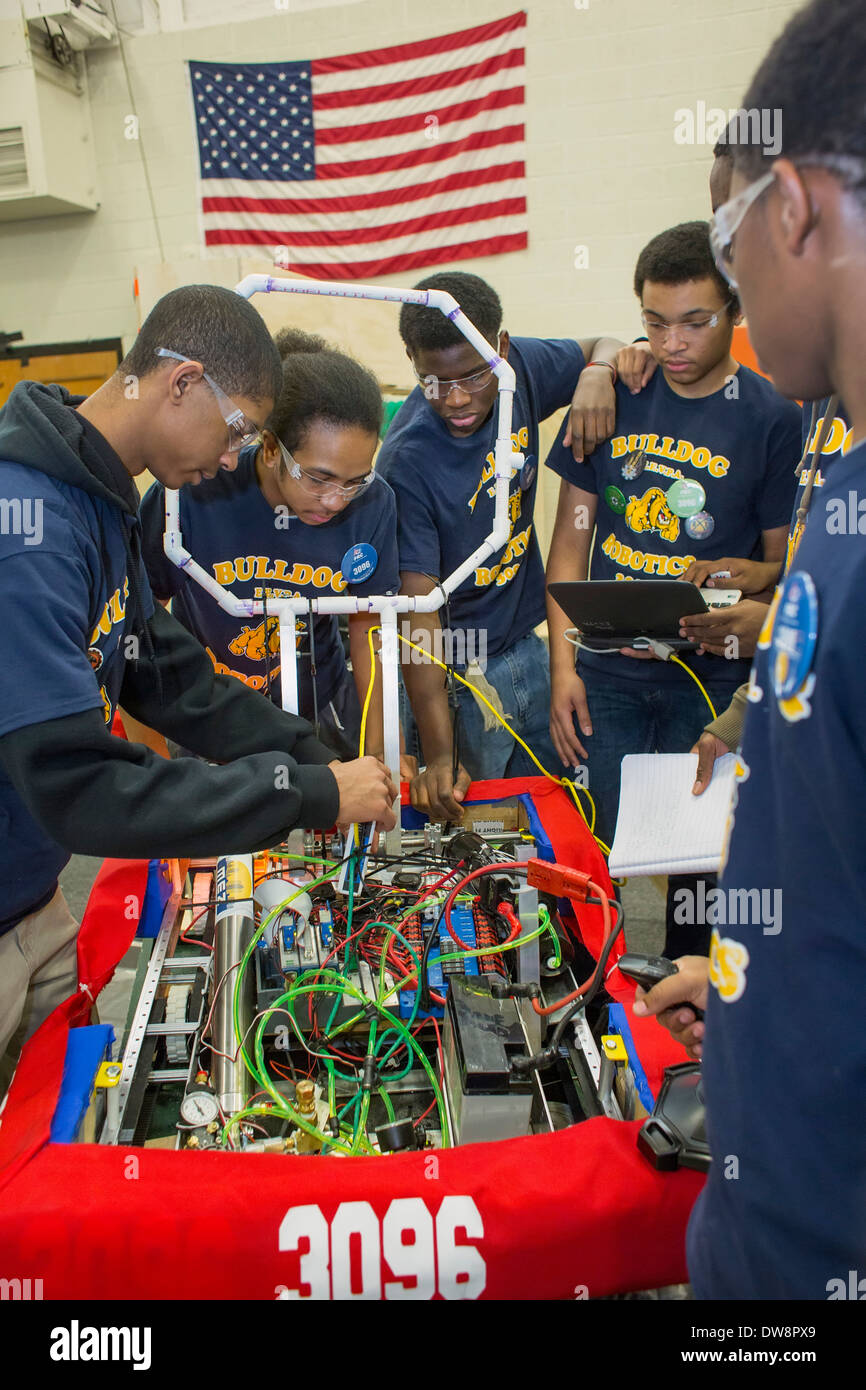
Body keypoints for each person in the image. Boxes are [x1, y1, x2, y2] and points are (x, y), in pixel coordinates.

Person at [0, 285, 396, 1095]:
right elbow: (82, 786)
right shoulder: (29, 535)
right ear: (182, 383)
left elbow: (169, 674)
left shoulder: (96, 494)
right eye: (240, 429)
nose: (232, 458)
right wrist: (309, 794)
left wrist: (311, 755)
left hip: (33, 905)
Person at [666, 0, 866, 1299]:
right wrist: (745, 988)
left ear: (789, 207)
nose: (730, 309)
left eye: (729, 260)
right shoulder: (840, 484)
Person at [544, 221, 801, 956]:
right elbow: (571, 536)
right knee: (590, 853)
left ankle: (686, 1019)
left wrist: (749, 576)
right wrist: (563, 666)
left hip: (708, 675)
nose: (672, 344)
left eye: (695, 322)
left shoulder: (773, 418)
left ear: (736, 312)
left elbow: (784, 561)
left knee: (694, 863)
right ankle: (588, 1005)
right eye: (655, 323)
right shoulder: (615, 392)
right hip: (604, 668)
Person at [377, 270, 634, 820]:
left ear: (501, 348)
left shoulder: (523, 370)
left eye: (473, 375)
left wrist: (597, 371)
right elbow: (418, 618)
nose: (457, 398)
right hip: (455, 672)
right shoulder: (407, 461)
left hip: (526, 648)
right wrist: (440, 754)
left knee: (561, 810)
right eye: (434, 381)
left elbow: (605, 344)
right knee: (477, 832)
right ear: (412, 361)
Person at [140, 329, 398, 762]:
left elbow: (369, 631)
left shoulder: (374, 502)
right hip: (206, 715)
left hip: (320, 708)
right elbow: (140, 625)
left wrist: (380, 754)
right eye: (319, 478)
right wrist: (152, 758)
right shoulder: (191, 490)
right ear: (273, 448)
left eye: (355, 480)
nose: (336, 501)